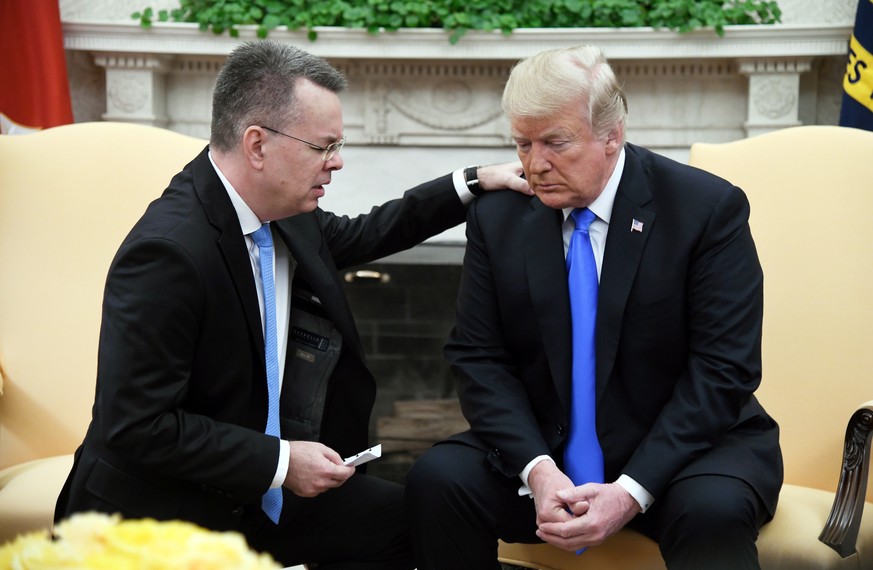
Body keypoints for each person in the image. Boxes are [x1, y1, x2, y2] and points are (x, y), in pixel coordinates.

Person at [54, 40, 528, 569]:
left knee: (428, 515)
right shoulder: (168, 253)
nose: (338, 162)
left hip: (257, 496)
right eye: (323, 147)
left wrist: (473, 182)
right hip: (161, 516)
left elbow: (367, 232)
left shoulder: (283, 208)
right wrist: (281, 461)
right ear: (257, 145)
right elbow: (137, 427)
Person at [405, 45, 783, 570]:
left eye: (556, 143)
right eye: (522, 144)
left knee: (712, 513)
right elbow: (477, 357)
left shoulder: (705, 209)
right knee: (439, 480)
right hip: (547, 451)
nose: (535, 165)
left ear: (612, 134)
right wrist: (537, 471)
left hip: (679, 455)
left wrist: (630, 490)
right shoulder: (499, 217)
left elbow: (724, 370)